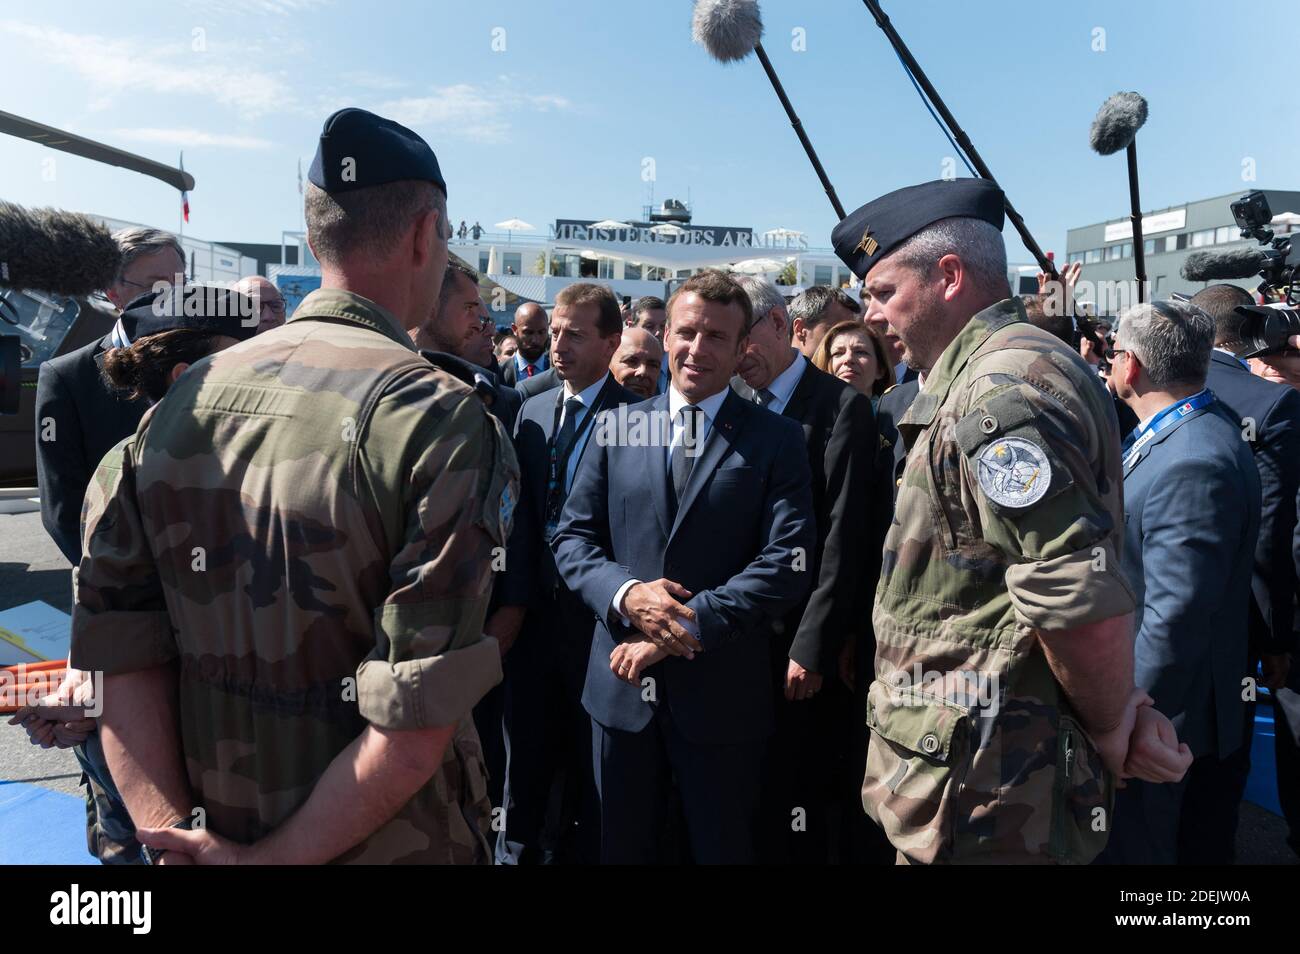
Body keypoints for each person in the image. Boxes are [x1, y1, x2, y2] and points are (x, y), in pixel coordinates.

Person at [69, 106, 518, 865]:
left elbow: (118, 650)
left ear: (314, 238)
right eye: (446, 240)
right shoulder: (438, 418)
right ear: (423, 234)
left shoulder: (177, 403)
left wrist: (174, 836)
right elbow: (411, 726)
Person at [833, 178, 1192, 865]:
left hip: (988, 795)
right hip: (982, 770)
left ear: (948, 275)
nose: (871, 317)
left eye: (882, 292)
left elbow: (1071, 589)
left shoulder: (1000, 393)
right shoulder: (1013, 366)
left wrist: (1115, 723)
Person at [551, 270, 815, 863]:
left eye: (718, 337)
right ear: (664, 334)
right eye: (688, 333)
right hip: (619, 695)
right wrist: (627, 596)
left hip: (723, 702)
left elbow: (787, 562)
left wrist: (682, 626)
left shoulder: (777, 440)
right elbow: (572, 538)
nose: (699, 349)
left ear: (743, 344)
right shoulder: (614, 427)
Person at [10, 284, 257, 865]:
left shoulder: (130, 466)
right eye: (244, 354)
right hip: (190, 762)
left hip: (147, 749)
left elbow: (109, 616)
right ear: (184, 376)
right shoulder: (150, 475)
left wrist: (81, 688)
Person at [1097, 299, 1261, 865]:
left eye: (1115, 352)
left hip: (1165, 724)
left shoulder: (1193, 458)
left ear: (1132, 366)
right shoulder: (1188, 429)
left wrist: (1127, 719)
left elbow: (1175, 614)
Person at [730, 275, 884, 864]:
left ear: (779, 326)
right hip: (738, 633)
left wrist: (813, 646)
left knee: (801, 792)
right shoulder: (738, 400)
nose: (732, 353)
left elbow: (843, 535)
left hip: (797, 643)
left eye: (742, 336)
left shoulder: (841, 407)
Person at [496, 282, 636, 865]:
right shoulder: (529, 407)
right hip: (528, 620)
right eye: (554, 332)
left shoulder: (636, 419)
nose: (559, 345)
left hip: (598, 626)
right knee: (522, 760)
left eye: (575, 335)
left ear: (611, 342)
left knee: (590, 766)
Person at [1183, 284, 1300, 862]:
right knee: (1225, 762)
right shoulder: (1276, 402)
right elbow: (1272, 532)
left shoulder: (1151, 393)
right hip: (1245, 619)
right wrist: (1276, 638)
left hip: (1164, 614)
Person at [411, 259, 525, 804]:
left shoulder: (501, 400)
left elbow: (520, 519)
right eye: (470, 310)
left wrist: (512, 608)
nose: (487, 323)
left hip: (484, 635)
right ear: (428, 310)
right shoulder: (391, 392)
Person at [35, 226, 184, 564]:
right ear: (112, 292)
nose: (173, 295)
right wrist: (114, 585)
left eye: (180, 283)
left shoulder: (212, 361)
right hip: (117, 587)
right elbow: (63, 512)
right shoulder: (66, 378)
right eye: (156, 285)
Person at [811, 319, 895, 402]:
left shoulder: (899, 414)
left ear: (880, 369)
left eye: (860, 352)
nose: (848, 359)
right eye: (838, 353)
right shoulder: (804, 413)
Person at [787, 285, 857, 358]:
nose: (846, 343)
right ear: (800, 329)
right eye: (835, 333)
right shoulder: (775, 367)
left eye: (852, 334)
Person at [499, 302, 550, 385]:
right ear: (515, 329)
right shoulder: (499, 373)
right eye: (528, 333)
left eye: (541, 332)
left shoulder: (559, 371)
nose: (535, 340)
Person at [608, 325, 663, 400]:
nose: (642, 372)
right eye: (632, 361)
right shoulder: (589, 407)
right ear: (608, 362)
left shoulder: (665, 411)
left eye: (652, 365)